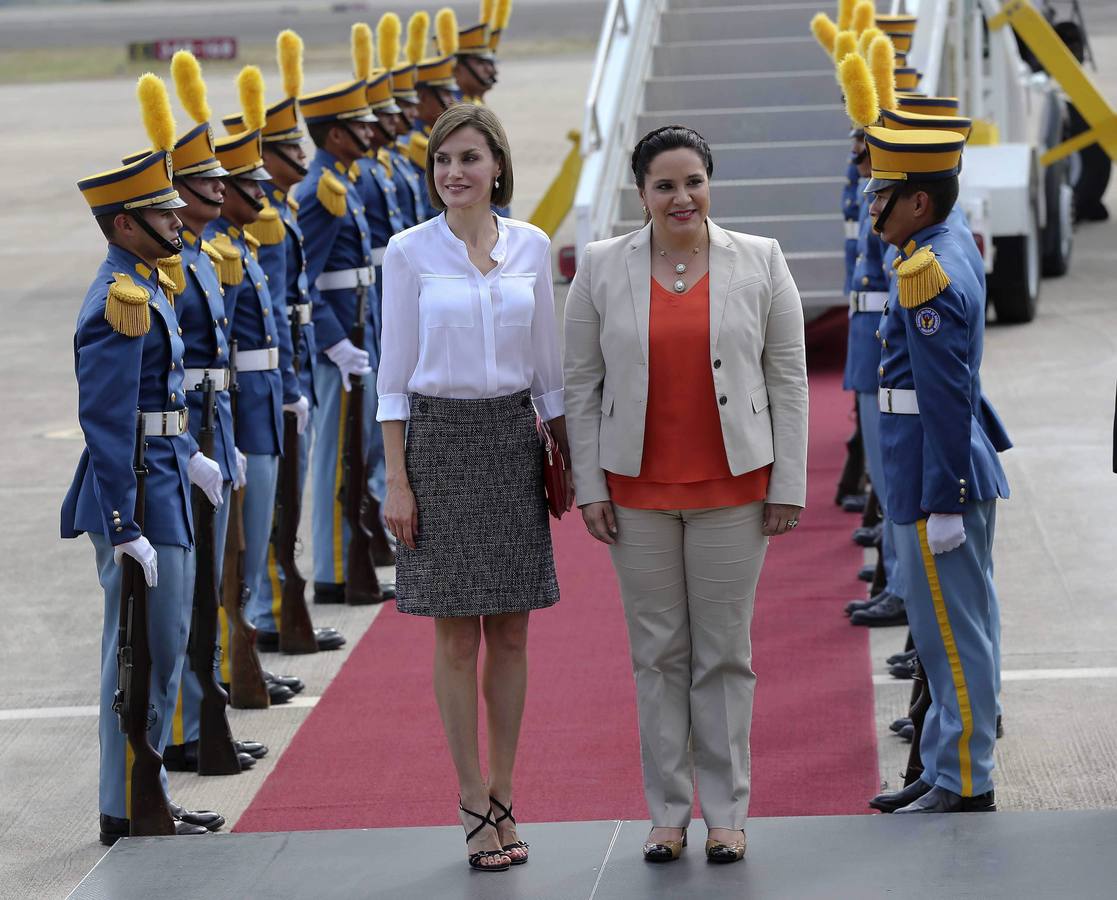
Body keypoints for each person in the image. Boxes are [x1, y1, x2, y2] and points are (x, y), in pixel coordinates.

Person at [563, 126, 808, 863]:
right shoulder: (601, 267)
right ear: (639, 192)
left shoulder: (759, 259)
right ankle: (667, 813)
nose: (681, 197)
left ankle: (726, 812)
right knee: (658, 655)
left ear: (711, 183)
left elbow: (787, 379)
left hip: (735, 491)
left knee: (724, 656)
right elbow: (580, 383)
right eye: (664, 185)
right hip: (634, 495)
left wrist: (787, 482)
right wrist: (589, 486)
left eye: (693, 181)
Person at [377, 103, 570, 872]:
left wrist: (566, 461)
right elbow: (392, 379)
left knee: (514, 632)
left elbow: (550, 376)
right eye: (442, 161)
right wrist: (397, 479)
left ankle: (505, 791)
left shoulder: (531, 245)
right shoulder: (406, 252)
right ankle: (469, 799)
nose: (453, 173)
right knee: (455, 633)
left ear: (497, 166)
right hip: (439, 445)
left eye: (468, 158)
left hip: (511, 442)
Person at [67, 73, 225, 845]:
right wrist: (124, 523)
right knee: (131, 656)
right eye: (162, 209)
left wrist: (191, 453)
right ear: (126, 224)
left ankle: (150, 789)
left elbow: (162, 403)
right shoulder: (117, 301)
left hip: (165, 481)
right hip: (134, 497)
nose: (178, 216)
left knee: (161, 654)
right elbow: (104, 424)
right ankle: (123, 804)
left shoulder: (147, 284)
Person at [861, 124, 1009, 814]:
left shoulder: (929, 270)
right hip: (930, 465)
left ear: (917, 203)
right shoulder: (937, 249)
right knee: (956, 628)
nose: (871, 209)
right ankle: (945, 760)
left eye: (882, 196)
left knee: (951, 636)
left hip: (933, 474)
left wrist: (945, 495)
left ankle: (962, 777)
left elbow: (946, 393)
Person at [237, 29, 346, 653]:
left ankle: (271, 613)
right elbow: (268, 314)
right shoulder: (258, 230)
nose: (300, 160)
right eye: (286, 150)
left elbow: (288, 306)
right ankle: (263, 619)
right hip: (260, 389)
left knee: (282, 511)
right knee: (262, 521)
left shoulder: (280, 215)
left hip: (283, 378)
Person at [208, 66, 303, 704]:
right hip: (240, 416)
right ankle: (232, 660)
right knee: (232, 553)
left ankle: (249, 647)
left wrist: (288, 386)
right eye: (251, 184)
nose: (264, 192)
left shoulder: (241, 244)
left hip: (263, 406)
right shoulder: (217, 254)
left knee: (265, 530)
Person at [293, 71, 387, 605]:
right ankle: (331, 570)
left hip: (358, 326)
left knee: (359, 452)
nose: (369, 132)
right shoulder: (320, 191)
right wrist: (332, 342)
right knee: (335, 453)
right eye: (358, 126)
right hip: (339, 341)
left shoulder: (343, 181)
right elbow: (305, 277)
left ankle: (347, 555)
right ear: (334, 137)